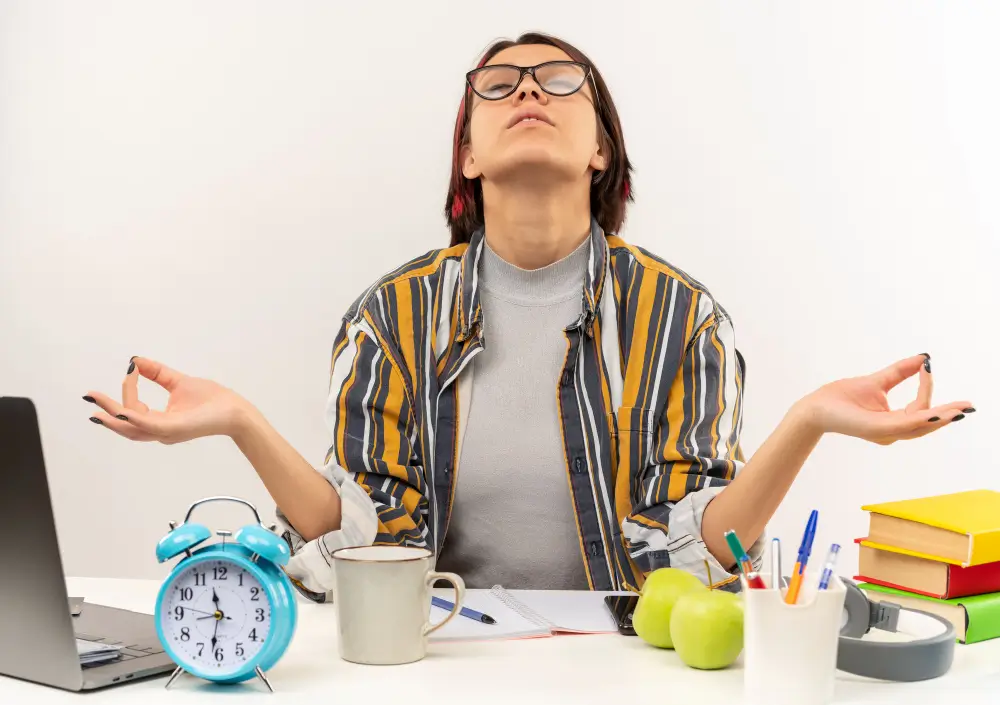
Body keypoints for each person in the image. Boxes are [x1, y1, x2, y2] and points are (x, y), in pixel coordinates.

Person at [83, 32, 974, 597]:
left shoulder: (683, 316)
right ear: (467, 154)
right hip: (439, 667)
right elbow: (361, 542)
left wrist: (808, 422)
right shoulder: (390, 316)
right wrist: (240, 421)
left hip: (630, 667)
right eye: (499, 84)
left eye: (558, 80)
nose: (527, 92)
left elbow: (705, 547)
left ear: (599, 150)